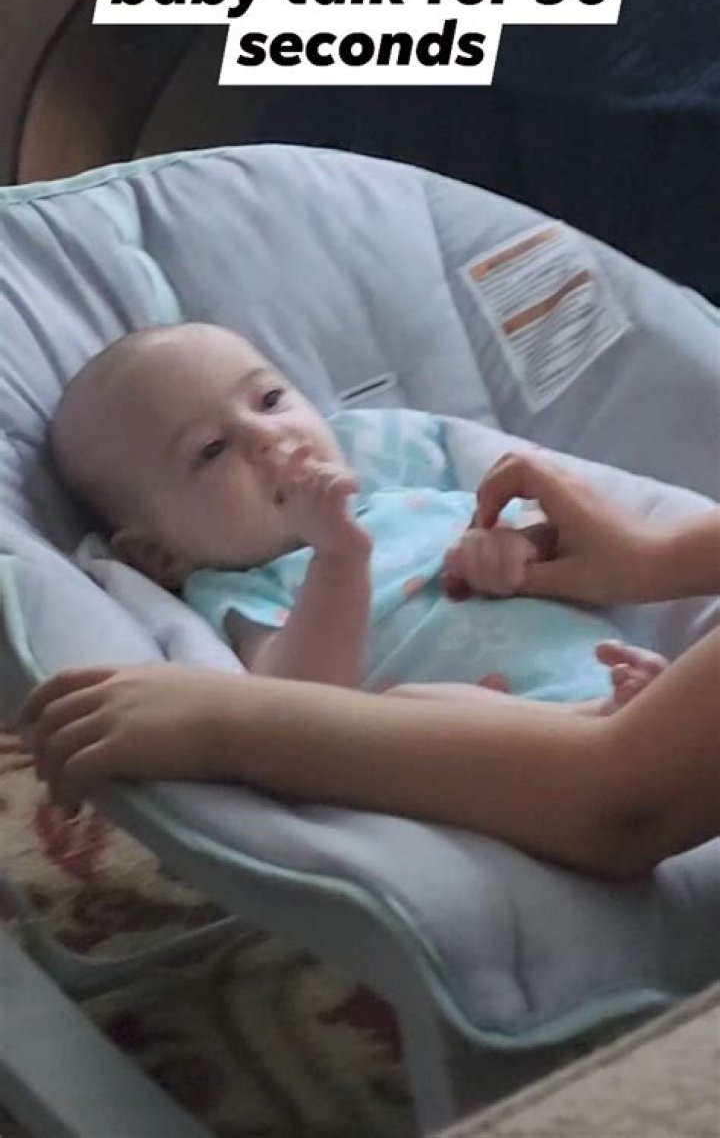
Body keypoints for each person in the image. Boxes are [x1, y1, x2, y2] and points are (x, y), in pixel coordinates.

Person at [20, 341, 720, 879]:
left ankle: (615, 710)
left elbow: (573, 577)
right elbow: (302, 696)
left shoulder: (410, 499)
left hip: (617, 710)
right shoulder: (245, 588)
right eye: (210, 451)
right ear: (158, 556)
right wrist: (337, 559)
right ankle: (601, 719)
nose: (265, 436)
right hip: (491, 746)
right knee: (417, 702)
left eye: (270, 399)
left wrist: (510, 554)